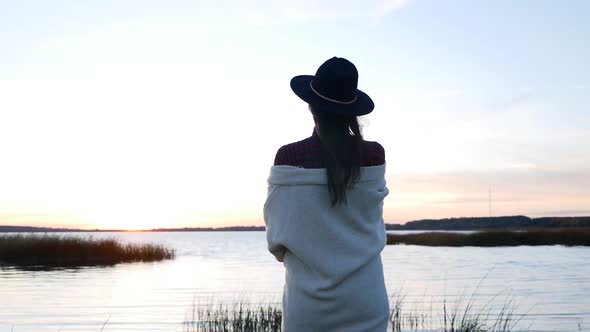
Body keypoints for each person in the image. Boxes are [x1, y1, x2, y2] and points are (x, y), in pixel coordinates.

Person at [263, 57, 390, 332]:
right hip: (366, 299)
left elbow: (277, 242)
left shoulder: (289, 156)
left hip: (308, 304)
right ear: (352, 111)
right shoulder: (374, 155)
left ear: (310, 106)